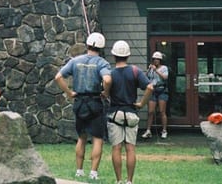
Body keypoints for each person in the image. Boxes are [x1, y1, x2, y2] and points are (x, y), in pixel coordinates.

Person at [54, 32, 112, 181]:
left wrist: (69, 92)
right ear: (101, 47)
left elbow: (58, 77)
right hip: (95, 102)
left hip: (79, 102)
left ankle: (79, 171)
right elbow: (107, 79)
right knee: (98, 138)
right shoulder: (102, 63)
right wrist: (105, 92)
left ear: (87, 45)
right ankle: (93, 173)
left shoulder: (75, 61)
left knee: (81, 137)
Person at [106, 40, 153, 184]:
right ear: (128, 56)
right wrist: (141, 103)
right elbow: (150, 87)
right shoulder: (135, 71)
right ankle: (129, 181)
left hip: (115, 114)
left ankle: (119, 180)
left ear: (114, 56)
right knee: (130, 149)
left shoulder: (110, 74)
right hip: (131, 113)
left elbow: (106, 90)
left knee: (116, 148)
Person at [142, 51, 169, 139]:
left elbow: (165, 77)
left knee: (162, 111)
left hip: (161, 89)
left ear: (160, 60)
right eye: (154, 59)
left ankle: (164, 130)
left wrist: (156, 70)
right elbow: (145, 78)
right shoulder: (151, 68)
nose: (156, 61)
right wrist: (149, 70)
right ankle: (148, 130)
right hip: (152, 90)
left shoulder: (164, 68)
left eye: (158, 59)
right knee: (150, 111)